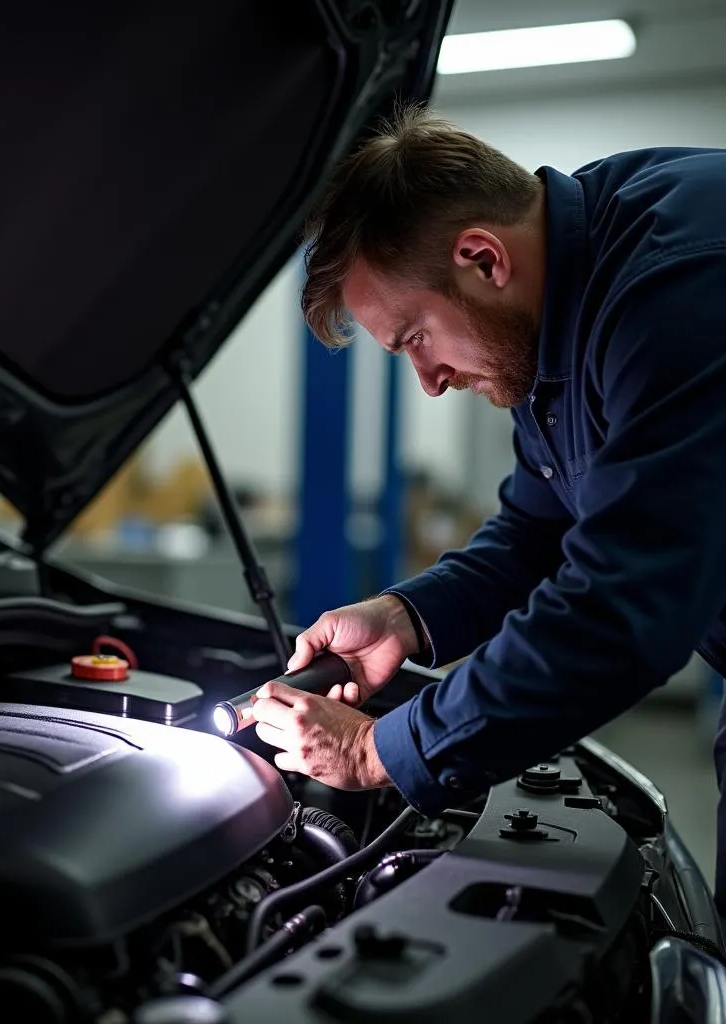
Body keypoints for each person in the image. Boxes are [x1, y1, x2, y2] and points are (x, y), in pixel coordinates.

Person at [249, 105, 726, 911]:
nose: (429, 380)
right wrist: (401, 615)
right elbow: (537, 533)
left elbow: (621, 607)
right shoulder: (558, 311)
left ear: (481, 258)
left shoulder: (680, 290)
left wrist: (380, 752)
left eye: (414, 339)